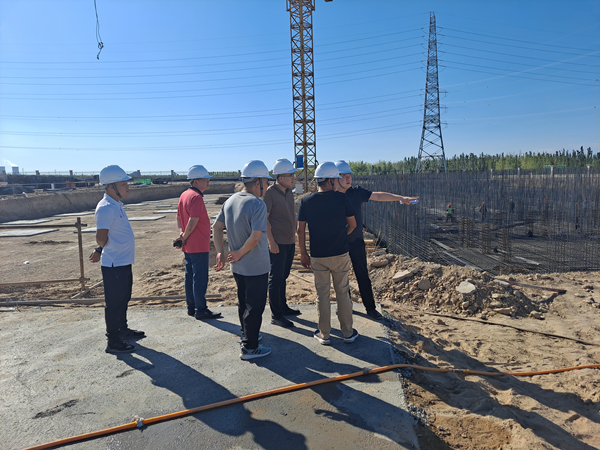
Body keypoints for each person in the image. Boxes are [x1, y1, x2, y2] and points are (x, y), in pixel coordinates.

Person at [334, 160, 419, 321]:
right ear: (335, 178)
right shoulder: (330, 196)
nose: (348, 178)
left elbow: (378, 195)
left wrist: (400, 198)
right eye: (344, 176)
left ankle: (370, 308)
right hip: (339, 243)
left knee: (362, 275)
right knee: (341, 277)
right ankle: (345, 305)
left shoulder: (357, 192)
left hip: (356, 241)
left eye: (349, 175)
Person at [213, 160, 272, 360]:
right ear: (258, 182)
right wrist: (239, 252)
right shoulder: (258, 204)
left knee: (243, 303)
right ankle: (250, 347)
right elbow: (255, 237)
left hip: (238, 267)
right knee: (255, 306)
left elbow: (216, 227)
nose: (267, 186)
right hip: (255, 265)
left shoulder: (230, 201)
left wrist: (220, 252)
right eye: (266, 181)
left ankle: (247, 334)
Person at [297, 161, 358, 345]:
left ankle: (324, 334)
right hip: (340, 254)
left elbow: (300, 230)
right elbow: (353, 225)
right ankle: (348, 333)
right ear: (331, 180)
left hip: (318, 256)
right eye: (336, 179)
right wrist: (341, 236)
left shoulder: (306, 201)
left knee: (322, 295)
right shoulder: (342, 199)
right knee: (342, 293)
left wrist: (303, 253)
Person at [89, 165, 144, 354]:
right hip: (114, 264)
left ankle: (122, 329)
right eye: (123, 184)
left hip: (123, 261)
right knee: (114, 303)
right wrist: (100, 248)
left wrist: (100, 249)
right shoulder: (105, 208)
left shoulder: (116, 205)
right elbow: (101, 237)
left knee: (124, 298)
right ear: (111, 186)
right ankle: (113, 340)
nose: (128, 186)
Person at [176, 165, 221, 320]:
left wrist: (182, 235)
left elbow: (179, 218)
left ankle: (192, 307)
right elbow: (193, 221)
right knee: (200, 279)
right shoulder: (196, 197)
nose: (208, 182)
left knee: (189, 277)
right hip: (198, 245)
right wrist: (185, 236)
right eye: (205, 179)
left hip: (189, 246)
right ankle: (200, 309)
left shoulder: (184, 195)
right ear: (195, 181)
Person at [264, 158, 301, 329]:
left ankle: (283, 306)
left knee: (284, 276)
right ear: (280, 178)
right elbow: (265, 220)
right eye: (290, 175)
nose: (293, 178)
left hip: (289, 241)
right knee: (276, 278)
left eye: (293, 175)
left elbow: (291, 214)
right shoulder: (270, 194)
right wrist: (271, 242)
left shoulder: (289, 192)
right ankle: (276, 315)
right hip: (277, 243)